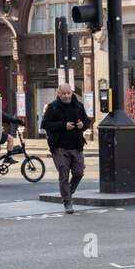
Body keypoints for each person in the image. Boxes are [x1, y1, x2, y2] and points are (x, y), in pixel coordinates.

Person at [41, 83, 93, 213]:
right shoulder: (52, 107)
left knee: (79, 172)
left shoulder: (79, 106)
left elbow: (87, 122)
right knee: (63, 172)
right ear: (59, 94)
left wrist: (82, 125)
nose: (66, 96)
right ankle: (67, 200)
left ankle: (69, 190)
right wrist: (63, 126)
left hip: (76, 145)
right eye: (63, 94)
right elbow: (45, 124)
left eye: (68, 93)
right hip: (59, 146)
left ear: (72, 92)